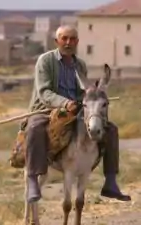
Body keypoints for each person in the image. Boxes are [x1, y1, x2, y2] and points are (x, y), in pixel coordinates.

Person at [25, 25, 131, 203]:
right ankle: (33, 179)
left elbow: (83, 91)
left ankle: (110, 181)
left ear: (77, 42)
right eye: (64, 38)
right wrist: (65, 103)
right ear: (56, 41)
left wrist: (93, 96)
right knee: (35, 127)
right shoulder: (45, 61)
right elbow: (44, 92)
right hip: (46, 109)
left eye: (72, 39)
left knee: (110, 129)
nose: (68, 42)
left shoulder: (80, 64)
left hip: (75, 110)